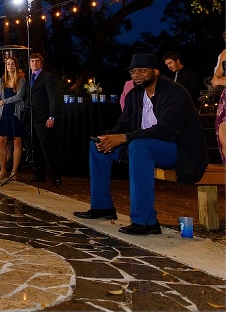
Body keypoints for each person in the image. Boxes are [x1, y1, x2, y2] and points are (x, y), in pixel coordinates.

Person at [74, 54, 209, 235]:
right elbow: (124, 125)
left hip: (178, 149)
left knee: (138, 146)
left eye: (142, 70)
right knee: (98, 147)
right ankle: (102, 207)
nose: (136, 75)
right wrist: (109, 137)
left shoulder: (174, 92)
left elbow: (166, 131)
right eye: (133, 71)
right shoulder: (134, 95)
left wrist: (123, 138)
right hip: (144, 147)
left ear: (155, 72)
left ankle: (146, 221)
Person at [27, 53, 61, 185]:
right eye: (32, 61)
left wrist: (51, 116)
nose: (34, 63)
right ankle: (39, 174)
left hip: (43, 118)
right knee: (34, 147)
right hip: (30, 118)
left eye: (36, 61)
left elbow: (54, 98)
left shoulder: (48, 77)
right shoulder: (28, 77)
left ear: (41, 63)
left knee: (47, 147)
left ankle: (55, 175)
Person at [0, 56, 26, 179]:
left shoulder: (21, 81)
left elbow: (19, 97)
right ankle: (2, 169)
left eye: (12, 64)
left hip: (16, 113)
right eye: (8, 64)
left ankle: (14, 171)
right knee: (2, 141)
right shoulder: (0, 81)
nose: (10, 66)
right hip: (3, 113)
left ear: (16, 66)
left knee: (17, 141)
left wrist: (4, 101)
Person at [211, 40, 226, 163]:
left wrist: (222, 81)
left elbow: (219, 81)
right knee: (223, 136)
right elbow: (216, 77)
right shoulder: (225, 53)